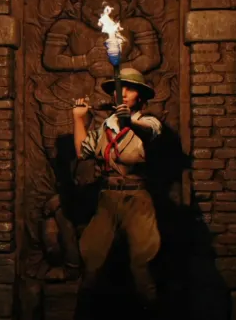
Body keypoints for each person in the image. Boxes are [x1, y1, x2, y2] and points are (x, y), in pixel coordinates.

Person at [71, 67, 162, 318]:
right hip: (108, 199)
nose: (122, 94)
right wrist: (79, 119)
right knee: (91, 263)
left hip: (137, 200)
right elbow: (83, 152)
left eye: (129, 90)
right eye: (118, 90)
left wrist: (129, 122)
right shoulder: (106, 127)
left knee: (142, 265)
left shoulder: (149, 123)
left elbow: (148, 133)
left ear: (140, 97)